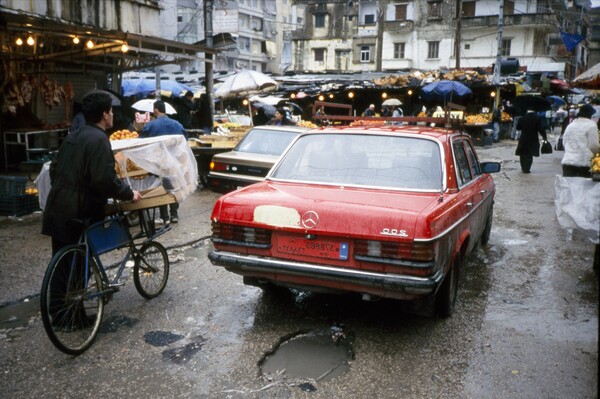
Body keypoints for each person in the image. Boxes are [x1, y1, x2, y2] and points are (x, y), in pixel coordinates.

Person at [41, 90, 142, 328]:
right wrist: (128, 193)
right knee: (78, 264)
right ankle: (74, 318)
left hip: (58, 207)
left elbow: (54, 170)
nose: (113, 115)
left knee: (61, 262)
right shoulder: (99, 140)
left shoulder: (73, 135)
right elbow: (103, 180)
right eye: (111, 110)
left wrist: (70, 189)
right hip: (80, 211)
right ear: (104, 114)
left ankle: (59, 315)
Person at [141, 100, 187, 223]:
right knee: (174, 186)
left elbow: (141, 143)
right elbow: (184, 141)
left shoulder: (151, 125)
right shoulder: (177, 124)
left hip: (158, 163)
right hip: (174, 162)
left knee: (161, 187)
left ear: (156, 110)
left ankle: (164, 216)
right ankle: (174, 214)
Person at [561, 104, 599, 178]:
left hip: (568, 162)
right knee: (584, 188)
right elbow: (594, 146)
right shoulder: (592, 125)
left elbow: (564, 142)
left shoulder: (571, 125)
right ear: (590, 114)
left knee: (569, 188)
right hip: (584, 163)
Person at [515, 108, 548, 174]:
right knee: (529, 154)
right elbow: (541, 129)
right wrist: (544, 137)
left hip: (523, 138)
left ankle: (523, 167)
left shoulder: (522, 118)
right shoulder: (537, 118)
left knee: (522, 153)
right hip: (533, 138)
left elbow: (518, 128)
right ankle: (526, 169)